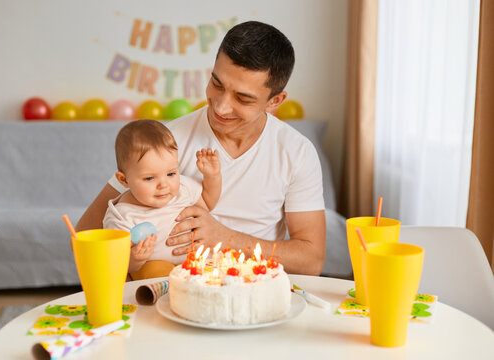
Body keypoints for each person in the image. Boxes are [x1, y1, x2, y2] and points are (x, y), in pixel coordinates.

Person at [76, 20, 326, 276]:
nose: (220, 107)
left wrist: (226, 238)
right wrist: (134, 261)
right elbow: (86, 235)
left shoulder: (296, 152)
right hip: (170, 292)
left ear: (275, 101)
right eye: (217, 84)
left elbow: (311, 260)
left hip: (253, 289)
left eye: (243, 98)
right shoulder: (166, 141)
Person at [103, 119, 221, 279]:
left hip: (192, 259)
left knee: (217, 268)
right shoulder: (122, 215)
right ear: (123, 180)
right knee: (160, 275)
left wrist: (212, 176)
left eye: (171, 174)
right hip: (152, 264)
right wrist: (136, 258)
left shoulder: (182, 188)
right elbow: (118, 263)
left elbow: (207, 203)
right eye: (150, 178)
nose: (163, 185)